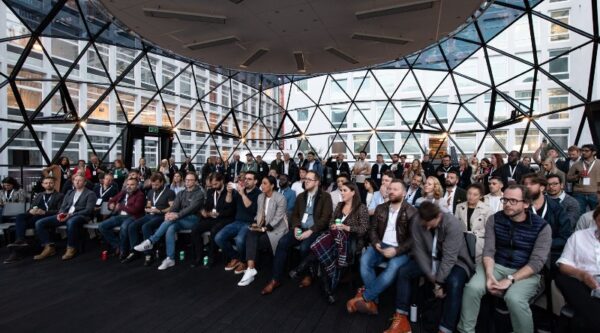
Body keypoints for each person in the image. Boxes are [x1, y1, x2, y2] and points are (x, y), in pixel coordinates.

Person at [458, 185, 552, 333]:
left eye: (513, 201)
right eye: (505, 199)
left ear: (526, 204)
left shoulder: (542, 227)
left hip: (525, 271)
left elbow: (536, 262)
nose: (507, 204)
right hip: (495, 265)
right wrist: (489, 276)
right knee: (472, 289)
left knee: (514, 299)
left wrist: (510, 279)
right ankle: (465, 330)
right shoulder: (494, 219)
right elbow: (489, 250)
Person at [386, 201, 474, 333]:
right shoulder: (418, 219)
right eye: (424, 225)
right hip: (429, 259)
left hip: (456, 261)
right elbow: (419, 251)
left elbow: (449, 258)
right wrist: (432, 277)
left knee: (454, 283)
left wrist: (439, 282)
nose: (426, 228)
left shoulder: (452, 223)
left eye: (429, 224)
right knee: (404, 272)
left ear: (438, 216)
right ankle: (401, 318)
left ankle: (445, 329)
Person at [347, 180, 417, 315]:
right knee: (364, 260)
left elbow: (413, 239)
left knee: (393, 267)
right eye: (390, 189)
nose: (391, 191)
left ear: (403, 192)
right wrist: (376, 242)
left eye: (395, 189)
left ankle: (365, 297)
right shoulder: (381, 208)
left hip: (401, 249)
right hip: (380, 244)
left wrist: (396, 250)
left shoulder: (412, 211)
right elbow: (372, 229)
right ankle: (373, 301)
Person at [262, 171, 333, 295]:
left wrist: (310, 231)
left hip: (316, 229)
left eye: (309, 179)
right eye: (305, 179)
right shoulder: (301, 196)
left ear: (317, 182)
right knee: (282, 242)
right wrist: (296, 227)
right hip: (300, 228)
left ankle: (308, 274)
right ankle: (275, 279)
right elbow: (295, 215)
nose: (305, 181)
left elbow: (325, 219)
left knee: (305, 247)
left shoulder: (325, 196)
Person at [310, 181, 369, 304]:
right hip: (334, 238)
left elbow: (364, 229)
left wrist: (347, 228)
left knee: (323, 250)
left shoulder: (361, 207)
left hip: (350, 241)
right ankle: (328, 291)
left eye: (344, 190)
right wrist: (333, 226)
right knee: (325, 248)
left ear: (353, 192)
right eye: (341, 190)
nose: (341, 193)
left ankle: (323, 286)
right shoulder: (339, 205)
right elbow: (331, 221)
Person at [134, 172, 205, 270]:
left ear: (196, 181)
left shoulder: (199, 194)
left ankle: (151, 241)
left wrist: (176, 215)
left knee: (170, 222)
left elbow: (191, 209)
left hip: (193, 219)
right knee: (170, 228)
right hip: (180, 219)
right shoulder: (181, 193)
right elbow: (175, 206)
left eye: (190, 180)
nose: (187, 182)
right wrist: (169, 213)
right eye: (186, 180)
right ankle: (170, 258)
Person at [555, 206, 600, 332]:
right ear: (595, 221)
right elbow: (563, 265)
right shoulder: (579, 236)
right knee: (562, 279)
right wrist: (582, 275)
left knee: (580, 321)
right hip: (581, 282)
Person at [237, 176, 288, 286]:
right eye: (262, 183)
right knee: (250, 234)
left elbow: (278, 218)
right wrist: (256, 224)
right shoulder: (260, 196)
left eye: (265, 183)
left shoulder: (280, 198)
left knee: (257, 242)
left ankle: (251, 268)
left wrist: (265, 228)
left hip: (276, 229)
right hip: (262, 227)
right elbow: (259, 213)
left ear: (272, 185)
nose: (262, 186)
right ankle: (251, 269)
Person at [34, 174, 98, 260]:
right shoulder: (69, 192)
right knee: (40, 223)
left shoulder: (90, 194)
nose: (77, 182)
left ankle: (71, 247)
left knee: (71, 222)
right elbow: (63, 206)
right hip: (65, 215)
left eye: (80, 180)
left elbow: (88, 210)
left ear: (85, 182)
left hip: (81, 216)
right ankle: (49, 247)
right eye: (75, 180)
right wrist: (61, 214)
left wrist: (71, 215)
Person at [4, 177, 64, 263]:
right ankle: (20, 240)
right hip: (35, 214)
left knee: (20, 226)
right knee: (20, 216)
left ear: (54, 184)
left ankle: (16, 252)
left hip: (46, 216)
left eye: (50, 183)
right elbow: (32, 206)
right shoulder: (39, 195)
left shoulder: (60, 195)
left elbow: (60, 211)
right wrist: (31, 210)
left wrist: (45, 212)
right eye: (46, 183)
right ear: (43, 185)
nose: (48, 184)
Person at [123, 173, 176, 265]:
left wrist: (159, 211)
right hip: (150, 215)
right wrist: (147, 207)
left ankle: (148, 254)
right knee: (132, 226)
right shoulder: (151, 192)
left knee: (145, 227)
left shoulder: (169, 192)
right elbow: (149, 203)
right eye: (153, 184)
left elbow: (172, 207)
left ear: (162, 182)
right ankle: (134, 251)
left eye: (156, 184)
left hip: (161, 216)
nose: (154, 186)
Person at [214, 171, 261, 274]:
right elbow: (228, 203)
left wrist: (243, 194)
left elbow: (252, 210)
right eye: (246, 179)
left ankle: (244, 262)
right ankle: (235, 257)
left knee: (239, 240)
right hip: (237, 221)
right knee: (218, 237)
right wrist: (230, 192)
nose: (246, 181)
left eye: (250, 179)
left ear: (256, 181)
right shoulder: (240, 190)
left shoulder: (259, 194)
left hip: (250, 223)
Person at [522, 174, 571, 264]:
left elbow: (565, 237)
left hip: (551, 252)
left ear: (542, 187)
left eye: (532, 184)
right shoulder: (521, 208)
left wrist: (541, 244)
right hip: (525, 253)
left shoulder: (557, 208)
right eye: (525, 184)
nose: (527, 186)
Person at [189, 173, 235, 268]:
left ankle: (211, 258)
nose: (214, 186)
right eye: (212, 185)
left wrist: (218, 214)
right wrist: (203, 210)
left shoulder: (230, 191)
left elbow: (231, 210)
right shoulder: (210, 191)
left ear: (222, 181)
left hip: (225, 219)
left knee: (214, 230)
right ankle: (199, 256)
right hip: (211, 218)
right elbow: (207, 205)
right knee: (195, 229)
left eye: (216, 184)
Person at [98, 178, 146, 258]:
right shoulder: (123, 192)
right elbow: (112, 200)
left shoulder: (140, 195)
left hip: (133, 216)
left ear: (137, 186)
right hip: (121, 216)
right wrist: (111, 205)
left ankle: (124, 251)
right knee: (102, 226)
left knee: (124, 227)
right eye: (128, 184)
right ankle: (118, 245)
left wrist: (121, 207)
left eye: (132, 184)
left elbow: (135, 210)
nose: (129, 186)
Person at [454, 183, 492, 262]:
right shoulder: (459, 206)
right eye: (469, 193)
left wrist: (472, 234)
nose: (471, 197)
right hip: (461, 241)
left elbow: (489, 230)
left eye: (475, 195)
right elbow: (455, 225)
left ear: (480, 196)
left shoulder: (487, 210)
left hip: (478, 243)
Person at [567, 144, 600, 215]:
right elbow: (568, 178)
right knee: (579, 214)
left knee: (597, 214)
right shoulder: (576, 164)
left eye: (586, 151)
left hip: (595, 193)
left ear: (594, 152)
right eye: (582, 151)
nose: (584, 152)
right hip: (579, 193)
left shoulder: (599, 163)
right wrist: (577, 176)